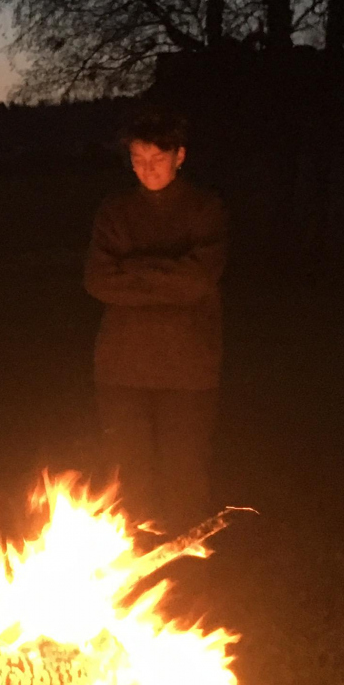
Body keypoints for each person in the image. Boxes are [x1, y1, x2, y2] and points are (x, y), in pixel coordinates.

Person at [84, 104, 228, 534]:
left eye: (157, 159)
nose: (147, 170)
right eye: (138, 160)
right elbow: (98, 280)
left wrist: (133, 271)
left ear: (179, 156)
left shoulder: (205, 209)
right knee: (129, 478)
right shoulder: (115, 212)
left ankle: (186, 574)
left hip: (188, 367)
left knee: (185, 475)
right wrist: (167, 271)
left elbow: (199, 279)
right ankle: (135, 569)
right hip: (121, 367)